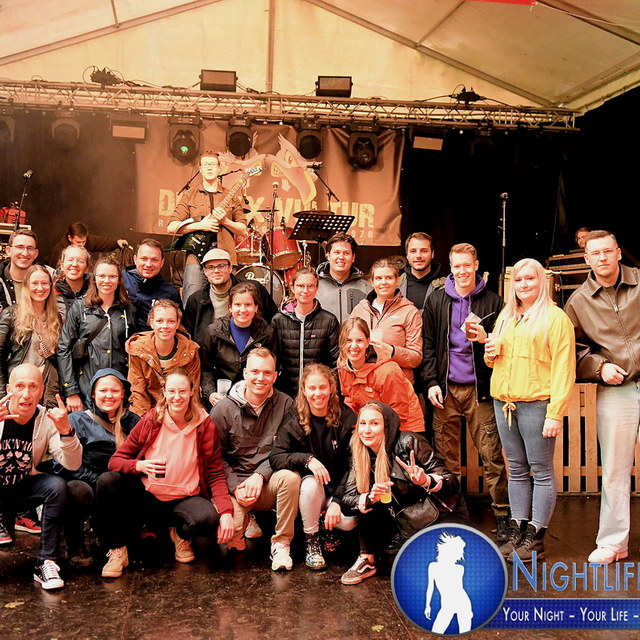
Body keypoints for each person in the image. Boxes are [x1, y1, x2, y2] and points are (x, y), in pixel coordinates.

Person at [99, 369, 234, 578]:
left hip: (184, 497)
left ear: (192, 391)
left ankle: (179, 533)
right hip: (149, 496)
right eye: (171, 391)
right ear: (164, 392)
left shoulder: (205, 424)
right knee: (108, 481)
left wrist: (226, 512)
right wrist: (140, 466)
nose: (177, 397)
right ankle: (118, 550)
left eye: (182, 391)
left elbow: (215, 472)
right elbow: (115, 461)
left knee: (208, 519)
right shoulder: (151, 420)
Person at [485, 258, 575, 563]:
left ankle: (535, 539)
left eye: (530, 278)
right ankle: (518, 532)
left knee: (542, 470)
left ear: (542, 281)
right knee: (517, 469)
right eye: (519, 280)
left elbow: (564, 368)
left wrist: (555, 412)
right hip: (504, 402)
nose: (524, 284)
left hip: (537, 404)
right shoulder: (506, 316)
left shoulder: (555, 318)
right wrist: (490, 352)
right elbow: (493, 360)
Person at [420, 242, 509, 542]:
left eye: (467, 265)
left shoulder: (493, 301)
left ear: (476, 265)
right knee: (445, 460)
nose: (462, 271)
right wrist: (431, 382)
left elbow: (503, 345)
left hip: (479, 390)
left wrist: (486, 337)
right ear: (450, 267)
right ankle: (450, 513)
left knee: (491, 455)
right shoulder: (436, 300)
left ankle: (502, 514)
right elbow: (428, 345)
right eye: (456, 266)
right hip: (445, 389)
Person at [564, 230, 640, 564]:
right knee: (614, 470)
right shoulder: (578, 301)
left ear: (619, 252)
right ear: (587, 259)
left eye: (608, 251)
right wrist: (599, 366)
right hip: (616, 388)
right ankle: (613, 543)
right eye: (595, 254)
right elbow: (572, 350)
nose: (602, 258)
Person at [339, 402, 461, 585]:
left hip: (432, 516)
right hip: (399, 521)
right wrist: (370, 498)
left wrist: (426, 481)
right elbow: (347, 501)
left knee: (424, 572)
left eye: (374, 423)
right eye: (362, 423)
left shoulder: (409, 442)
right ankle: (367, 560)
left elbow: (452, 482)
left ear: (387, 426)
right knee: (368, 500)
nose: (367, 430)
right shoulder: (359, 450)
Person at [210, 347, 301, 571]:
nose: (261, 378)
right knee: (234, 540)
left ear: (275, 376)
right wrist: (235, 487)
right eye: (255, 372)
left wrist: (260, 475)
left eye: (267, 373)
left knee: (291, 478)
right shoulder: (223, 409)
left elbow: (286, 451)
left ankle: (281, 544)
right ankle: (242, 523)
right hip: (235, 486)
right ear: (245, 373)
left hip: (268, 482)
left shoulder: (286, 404)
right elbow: (215, 458)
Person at [0, 364, 82, 590]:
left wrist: (66, 432)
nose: (26, 394)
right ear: (9, 389)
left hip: (21, 487)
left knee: (57, 486)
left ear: (42, 390)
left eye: (33, 387)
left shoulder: (47, 419)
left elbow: (73, 464)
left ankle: (46, 562)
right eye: (20, 386)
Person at [270, 364, 357, 570]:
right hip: (309, 491)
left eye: (322, 387)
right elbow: (276, 457)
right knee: (311, 484)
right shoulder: (294, 417)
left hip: (338, 488)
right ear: (304, 390)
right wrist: (307, 459)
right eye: (312, 388)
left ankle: (328, 528)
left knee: (348, 522)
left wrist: (337, 501)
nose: (318, 393)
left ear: (331, 388)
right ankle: (312, 540)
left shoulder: (346, 417)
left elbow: (353, 465)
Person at [52, 368, 140, 567]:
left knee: (113, 481)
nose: (109, 395)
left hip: (118, 484)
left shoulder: (133, 422)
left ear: (123, 394)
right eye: (103, 391)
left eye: (115, 391)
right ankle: (75, 544)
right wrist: (95, 480)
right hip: (87, 481)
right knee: (76, 490)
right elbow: (63, 464)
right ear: (93, 394)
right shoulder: (77, 420)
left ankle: (120, 540)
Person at [167, 151, 248, 302]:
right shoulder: (190, 195)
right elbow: (172, 227)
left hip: (225, 258)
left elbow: (243, 229)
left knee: (227, 302)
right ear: (200, 169)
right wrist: (200, 225)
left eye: (213, 164)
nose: (209, 167)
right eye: (205, 165)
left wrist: (225, 221)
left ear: (219, 168)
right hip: (196, 259)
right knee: (192, 301)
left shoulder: (230, 196)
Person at [57, 257, 135, 411]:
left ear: (119, 280)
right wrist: (71, 391)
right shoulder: (80, 307)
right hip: (86, 386)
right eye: (102, 276)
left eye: (112, 276)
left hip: (118, 388)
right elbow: (63, 348)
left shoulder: (128, 309)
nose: (107, 281)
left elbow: (134, 348)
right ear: (94, 279)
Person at [338, 318, 424, 433]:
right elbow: (349, 397)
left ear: (368, 342)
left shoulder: (387, 371)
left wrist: (378, 434)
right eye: (348, 340)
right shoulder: (343, 366)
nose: (354, 346)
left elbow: (398, 412)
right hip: (373, 423)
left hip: (404, 425)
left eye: (359, 340)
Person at [201, 282, 275, 407]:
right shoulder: (213, 332)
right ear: (230, 307)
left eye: (248, 305)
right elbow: (205, 368)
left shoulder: (266, 333)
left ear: (256, 307)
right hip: (222, 399)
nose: (243, 310)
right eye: (237, 305)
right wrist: (211, 393)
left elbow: (272, 368)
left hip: (255, 399)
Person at [349, 258, 422, 382]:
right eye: (378, 278)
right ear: (372, 282)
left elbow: (416, 358)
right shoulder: (360, 310)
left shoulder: (409, 312)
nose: (384, 282)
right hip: (365, 383)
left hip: (397, 384)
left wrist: (392, 352)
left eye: (389, 278)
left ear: (397, 281)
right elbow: (346, 346)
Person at [183, 248, 277, 344]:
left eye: (221, 266)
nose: (216, 271)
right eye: (210, 267)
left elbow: (272, 321)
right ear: (205, 271)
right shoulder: (196, 299)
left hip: (250, 347)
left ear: (230, 268)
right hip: (211, 349)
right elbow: (189, 335)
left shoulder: (254, 289)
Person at [0, 265, 62, 408]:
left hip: (46, 390)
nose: (40, 288)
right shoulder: (11, 315)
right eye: (34, 283)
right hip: (19, 391)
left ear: (50, 285)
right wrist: (3, 397)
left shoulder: (55, 317)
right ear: (26, 286)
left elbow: (59, 357)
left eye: (44, 283)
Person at [272, 267, 339, 397]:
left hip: (318, 394)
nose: (305, 291)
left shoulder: (329, 321)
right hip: (286, 394)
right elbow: (274, 360)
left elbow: (334, 363)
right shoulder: (279, 320)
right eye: (300, 286)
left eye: (310, 286)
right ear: (292, 287)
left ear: (317, 288)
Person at [126, 299, 200, 416]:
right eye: (159, 321)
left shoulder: (190, 351)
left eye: (171, 321)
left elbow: (192, 392)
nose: (165, 326)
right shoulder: (138, 349)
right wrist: (145, 422)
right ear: (151, 322)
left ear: (177, 323)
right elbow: (138, 393)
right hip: (148, 412)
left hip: (179, 409)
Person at [121, 239, 181, 333]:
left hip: (151, 340)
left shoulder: (170, 292)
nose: (148, 264)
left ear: (162, 262)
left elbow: (178, 325)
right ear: (135, 259)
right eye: (144, 259)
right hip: (120, 339)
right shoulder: (120, 280)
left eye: (154, 260)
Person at [315, 233, 371, 324]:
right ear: (328, 255)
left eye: (346, 253)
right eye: (337, 252)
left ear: (353, 257)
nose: (341, 257)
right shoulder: (314, 286)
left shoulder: (367, 288)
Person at [425, 533, 473, 634]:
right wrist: (427, 605)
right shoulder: (433, 566)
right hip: (448, 605)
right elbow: (430, 587)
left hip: (462, 603)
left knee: (464, 633)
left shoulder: (459, 568)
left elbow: (459, 589)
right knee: (437, 630)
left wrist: (428, 605)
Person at [0, 229, 51, 312]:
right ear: (8, 251)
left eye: (30, 248)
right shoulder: (1, 279)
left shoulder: (49, 278)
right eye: (20, 247)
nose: (25, 253)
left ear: (36, 253)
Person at [400, 232, 445, 312]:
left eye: (424, 251)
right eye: (413, 251)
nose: (418, 256)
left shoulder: (446, 287)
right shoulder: (396, 286)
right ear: (407, 255)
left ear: (432, 254)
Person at [50, 221, 128, 267]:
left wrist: (117, 242)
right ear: (70, 238)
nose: (81, 245)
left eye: (83, 242)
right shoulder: (59, 250)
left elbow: (103, 242)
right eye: (78, 242)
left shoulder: (89, 241)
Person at [54, 245, 91, 319]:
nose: (74, 264)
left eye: (80, 261)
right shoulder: (52, 292)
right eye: (70, 260)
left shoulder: (94, 292)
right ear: (62, 266)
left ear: (87, 268)